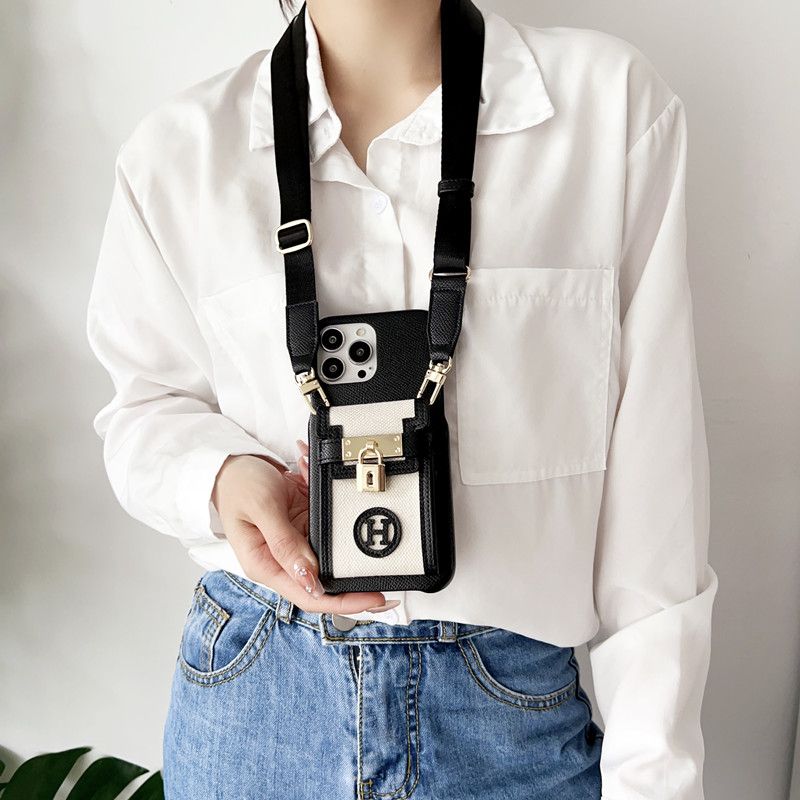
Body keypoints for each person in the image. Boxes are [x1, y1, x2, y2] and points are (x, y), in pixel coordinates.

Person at [86, 0, 718, 798]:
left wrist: (655, 778)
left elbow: (657, 504)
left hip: (506, 719)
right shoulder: (177, 154)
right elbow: (141, 409)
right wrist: (221, 477)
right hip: (257, 702)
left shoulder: (608, 108)